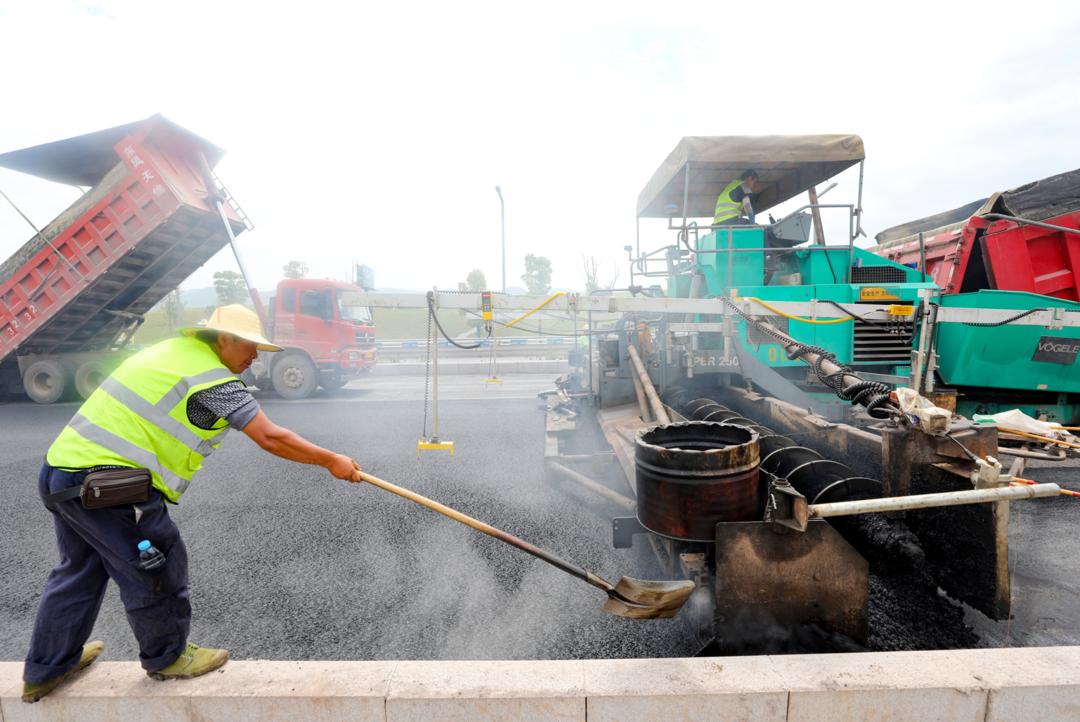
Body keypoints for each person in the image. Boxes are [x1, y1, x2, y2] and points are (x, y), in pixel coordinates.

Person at [21, 304, 364, 703]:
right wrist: (331, 461)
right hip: (106, 484)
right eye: (249, 347)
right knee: (157, 561)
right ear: (224, 340)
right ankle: (167, 657)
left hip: (63, 472)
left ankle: (46, 667)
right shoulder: (211, 379)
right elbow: (271, 437)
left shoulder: (173, 353)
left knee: (80, 569)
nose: (255, 357)